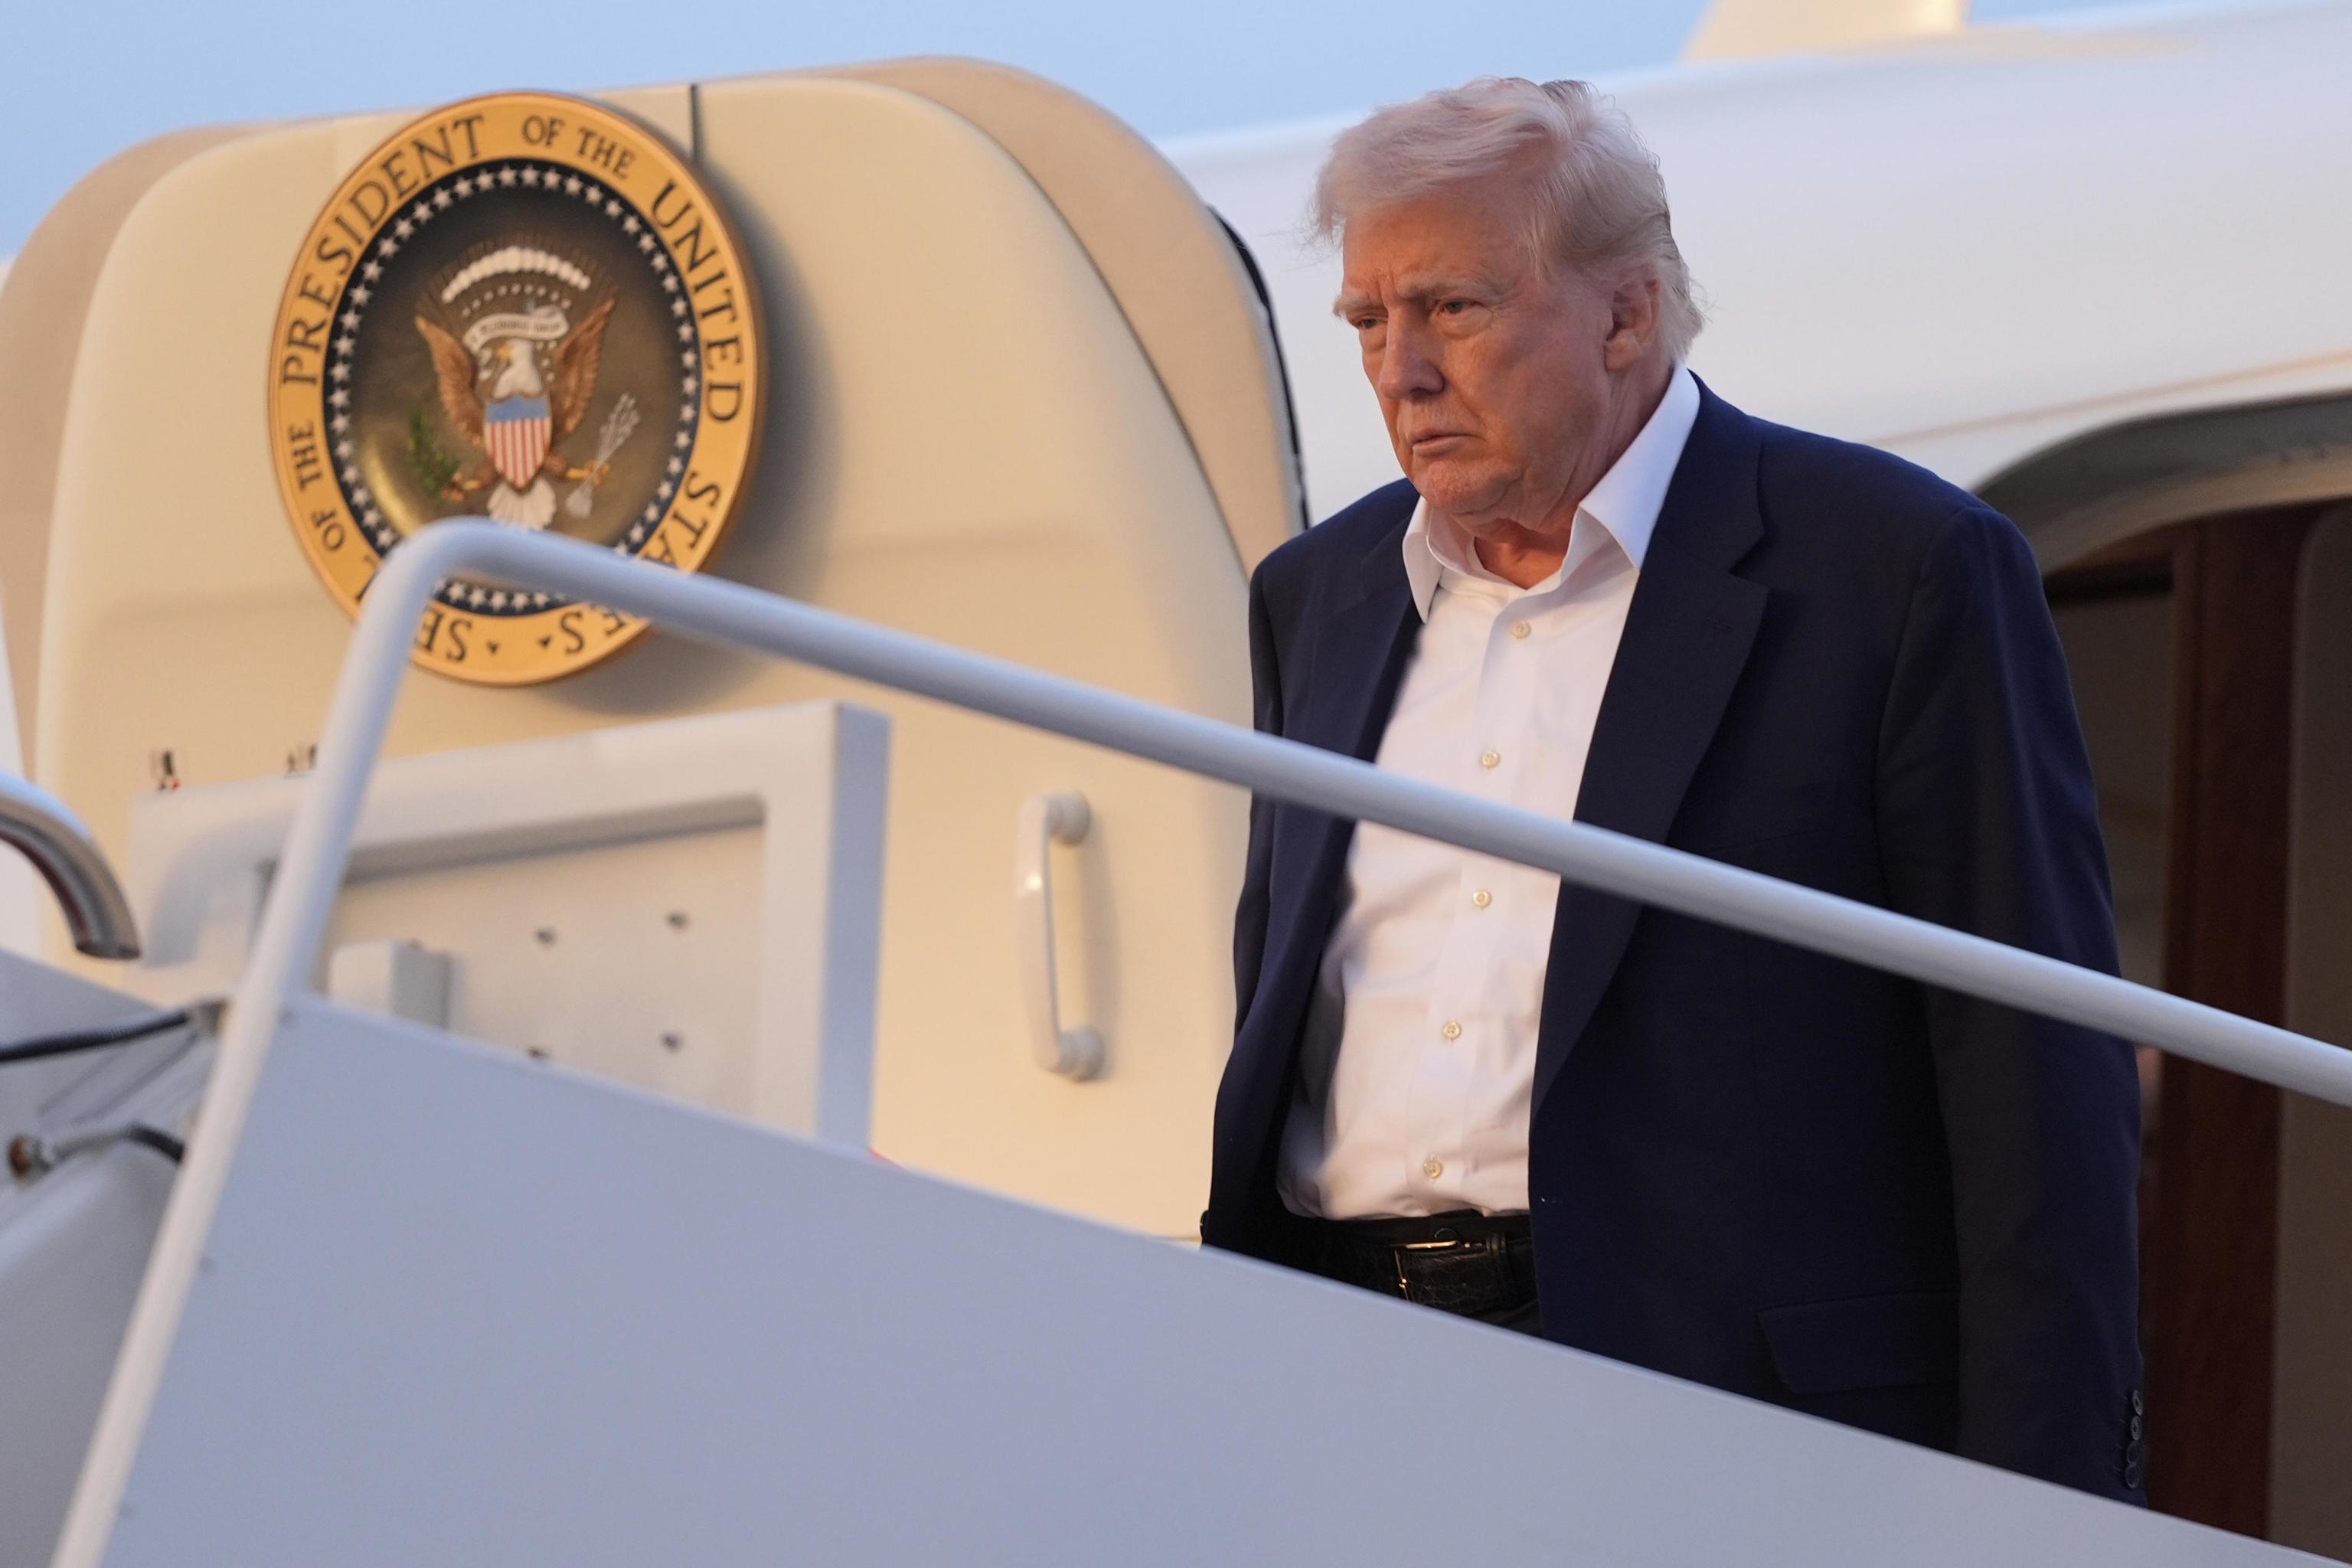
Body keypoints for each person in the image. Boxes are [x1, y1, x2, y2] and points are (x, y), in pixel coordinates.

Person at [1204, 77, 2145, 1502]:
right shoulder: (1311, 598)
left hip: (1729, 1423)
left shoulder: (1894, 571)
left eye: (1450, 309)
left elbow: (2034, 1080)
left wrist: (2047, 1512)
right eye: (1364, 322)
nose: (1398, 371)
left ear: (1627, 315)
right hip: (1334, 1391)